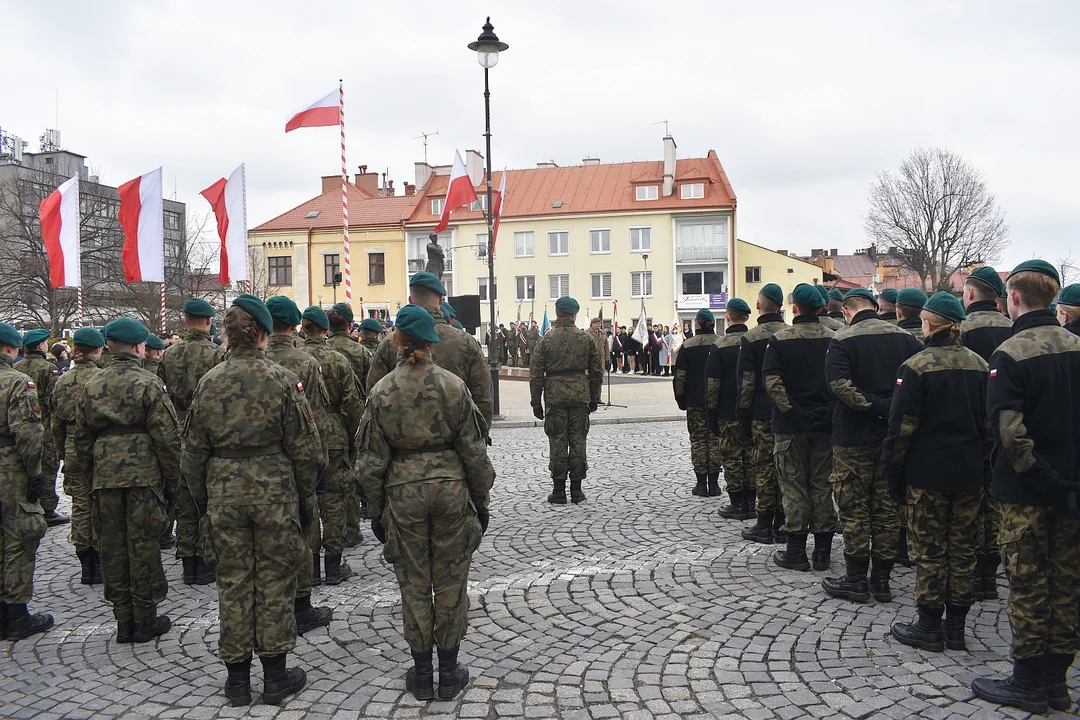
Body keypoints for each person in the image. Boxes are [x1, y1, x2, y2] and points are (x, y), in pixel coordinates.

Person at [182, 295, 324, 707]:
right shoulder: (281, 380)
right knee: (275, 582)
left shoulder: (209, 382)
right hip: (275, 494)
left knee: (233, 583)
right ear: (263, 334)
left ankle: (237, 681)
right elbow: (306, 450)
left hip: (224, 495)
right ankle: (276, 677)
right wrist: (303, 497)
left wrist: (205, 499)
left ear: (227, 334)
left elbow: (192, 453)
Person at [357, 305, 493, 701]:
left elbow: (369, 463)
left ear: (396, 340)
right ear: (432, 342)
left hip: (403, 494)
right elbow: (474, 452)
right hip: (451, 492)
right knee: (451, 581)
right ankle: (449, 672)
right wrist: (480, 500)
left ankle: (421, 673)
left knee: (414, 583)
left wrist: (377, 507)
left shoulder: (381, 391)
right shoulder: (453, 386)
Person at [970, 261, 1080, 714]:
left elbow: (1010, 434)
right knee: (1069, 585)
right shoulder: (1077, 346)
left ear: (1012, 297)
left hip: (1030, 493)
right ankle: (1057, 681)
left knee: (1030, 584)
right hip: (1072, 489)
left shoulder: (1010, 353)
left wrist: (1046, 483)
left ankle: (1029, 681)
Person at [883, 293, 989, 654]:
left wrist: (892, 472)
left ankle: (929, 626)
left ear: (929, 324)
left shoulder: (916, 366)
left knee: (929, 550)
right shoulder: (979, 364)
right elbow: (989, 426)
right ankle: (956, 628)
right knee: (962, 551)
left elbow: (901, 429)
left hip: (927, 474)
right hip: (969, 473)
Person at [73, 318, 181, 644]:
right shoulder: (148, 384)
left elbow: (80, 440)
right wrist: (173, 482)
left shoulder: (91, 385)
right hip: (143, 475)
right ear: (138, 348)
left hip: (105, 477)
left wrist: (88, 475)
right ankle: (145, 618)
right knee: (143, 544)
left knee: (113, 548)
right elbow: (167, 439)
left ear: (108, 346)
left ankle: (123, 620)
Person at [821, 288, 921, 604]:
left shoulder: (842, 340)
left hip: (853, 436)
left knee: (853, 507)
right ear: (876, 308)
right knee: (888, 508)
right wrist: (893, 408)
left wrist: (874, 405)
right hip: (894, 435)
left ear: (847, 311)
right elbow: (918, 382)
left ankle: (855, 579)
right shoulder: (906, 339)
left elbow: (839, 386)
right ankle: (881, 580)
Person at [264, 297, 334, 635]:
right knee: (303, 530)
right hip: (291, 465)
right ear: (295, 326)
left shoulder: (229, 361)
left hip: (241, 473)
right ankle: (301, 604)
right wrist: (315, 471)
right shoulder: (304, 363)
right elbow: (314, 421)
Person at [763, 284, 837, 572]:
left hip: (790, 426)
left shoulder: (779, 340)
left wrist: (793, 413)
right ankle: (822, 553)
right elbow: (839, 380)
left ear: (794, 308)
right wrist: (826, 411)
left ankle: (796, 552)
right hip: (824, 426)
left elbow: (773, 383)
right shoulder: (835, 339)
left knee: (793, 486)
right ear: (820, 309)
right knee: (822, 485)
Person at [367, 273, 493, 434]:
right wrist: (477, 437)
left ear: (410, 300)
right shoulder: (466, 342)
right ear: (441, 300)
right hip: (453, 445)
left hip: (401, 442)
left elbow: (373, 393)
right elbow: (483, 397)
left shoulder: (390, 342)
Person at [158, 297, 222, 586]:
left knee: (184, 498)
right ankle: (207, 561)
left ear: (184, 322)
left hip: (178, 428)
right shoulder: (216, 355)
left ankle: (188, 564)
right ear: (209, 322)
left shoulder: (169, 355)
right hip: (208, 429)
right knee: (206, 495)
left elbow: (162, 398)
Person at [959, 266, 1013, 601]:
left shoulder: (959, 329)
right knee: (997, 500)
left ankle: (970, 571)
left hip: (967, 424)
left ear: (969, 294)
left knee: (969, 502)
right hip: (1006, 425)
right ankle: (989, 576)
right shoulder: (1014, 329)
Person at [301, 306, 363, 585]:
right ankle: (334, 566)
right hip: (335, 434)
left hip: (302, 436)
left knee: (308, 499)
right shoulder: (337, 360)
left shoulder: (295, 358)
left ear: (303, 328)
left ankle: (311, 568)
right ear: (325, 329)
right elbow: (352, 404)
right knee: (335, 500)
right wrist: (352, 440)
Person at [0, 321, 54, 641]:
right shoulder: (19, 382)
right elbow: (29, 434)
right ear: (10, 348)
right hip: (10, 472)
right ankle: (17, 615)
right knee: (20, 539)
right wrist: (35, 474)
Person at [530, 296, 602, 504]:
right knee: (578, 440)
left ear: (558, 313)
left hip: (555, 395)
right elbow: (596, 371)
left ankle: (559, 490)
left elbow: (536, 373)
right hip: (580, 394)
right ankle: (577, 490)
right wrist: (594, 397)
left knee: (558, 441)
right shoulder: (585, 338)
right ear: (574, 314)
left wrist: (536, 401)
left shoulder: (546, 339)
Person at [50, 328, 105, 586]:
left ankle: (87, 565)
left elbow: (56, 423)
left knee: (81, 506)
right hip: (99, 450)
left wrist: (61, 451)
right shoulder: (101, 378)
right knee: (103, 506)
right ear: (97, 350)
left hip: (73, 451)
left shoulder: (62, 380)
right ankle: (101, 558)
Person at [737, 284, 788, 544]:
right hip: (786, 412)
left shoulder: (752, 337)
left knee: (764, 468)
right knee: (785, 469)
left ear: (759, 306)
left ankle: (765, 522)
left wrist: (742, 414)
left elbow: (747, 382)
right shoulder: (790, 334)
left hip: (760, 412)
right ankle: (782, 522)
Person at [326, 302, 369, 544]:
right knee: (348, 479)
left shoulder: (315, 352)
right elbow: (366, 390)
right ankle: (351, 530)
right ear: (350, 325)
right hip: (346, 421)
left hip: (319, 421)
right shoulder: (360, 352)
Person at [707, 299, 754, 520]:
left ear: (727, 316)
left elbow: (713, 384)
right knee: (752, 456)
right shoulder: (754, 341)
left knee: (732, 458)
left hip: (727, 411)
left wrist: (711, 413)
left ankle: (737, 504)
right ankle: (752, 502)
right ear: (746, 317)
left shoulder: (720, 345)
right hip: (753, 411)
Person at [15, 329, 67, 527]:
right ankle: (48, 508)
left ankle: (28, 503)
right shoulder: (48, 368)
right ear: (40, 346)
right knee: (48, 467)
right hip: (45, 427)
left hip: (21, 426)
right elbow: (53, 400)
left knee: (26, 466)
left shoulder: (17, 366)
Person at [674, 309, 721, 497]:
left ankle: (701, 484)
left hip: (694, 401)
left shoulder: (688, 345)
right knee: (714, 440)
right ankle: (715, 484)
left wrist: (680, 398)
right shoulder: (720, 343)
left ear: (697, 325)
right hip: (717, 401)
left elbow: (680, 376)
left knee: (698, 441)